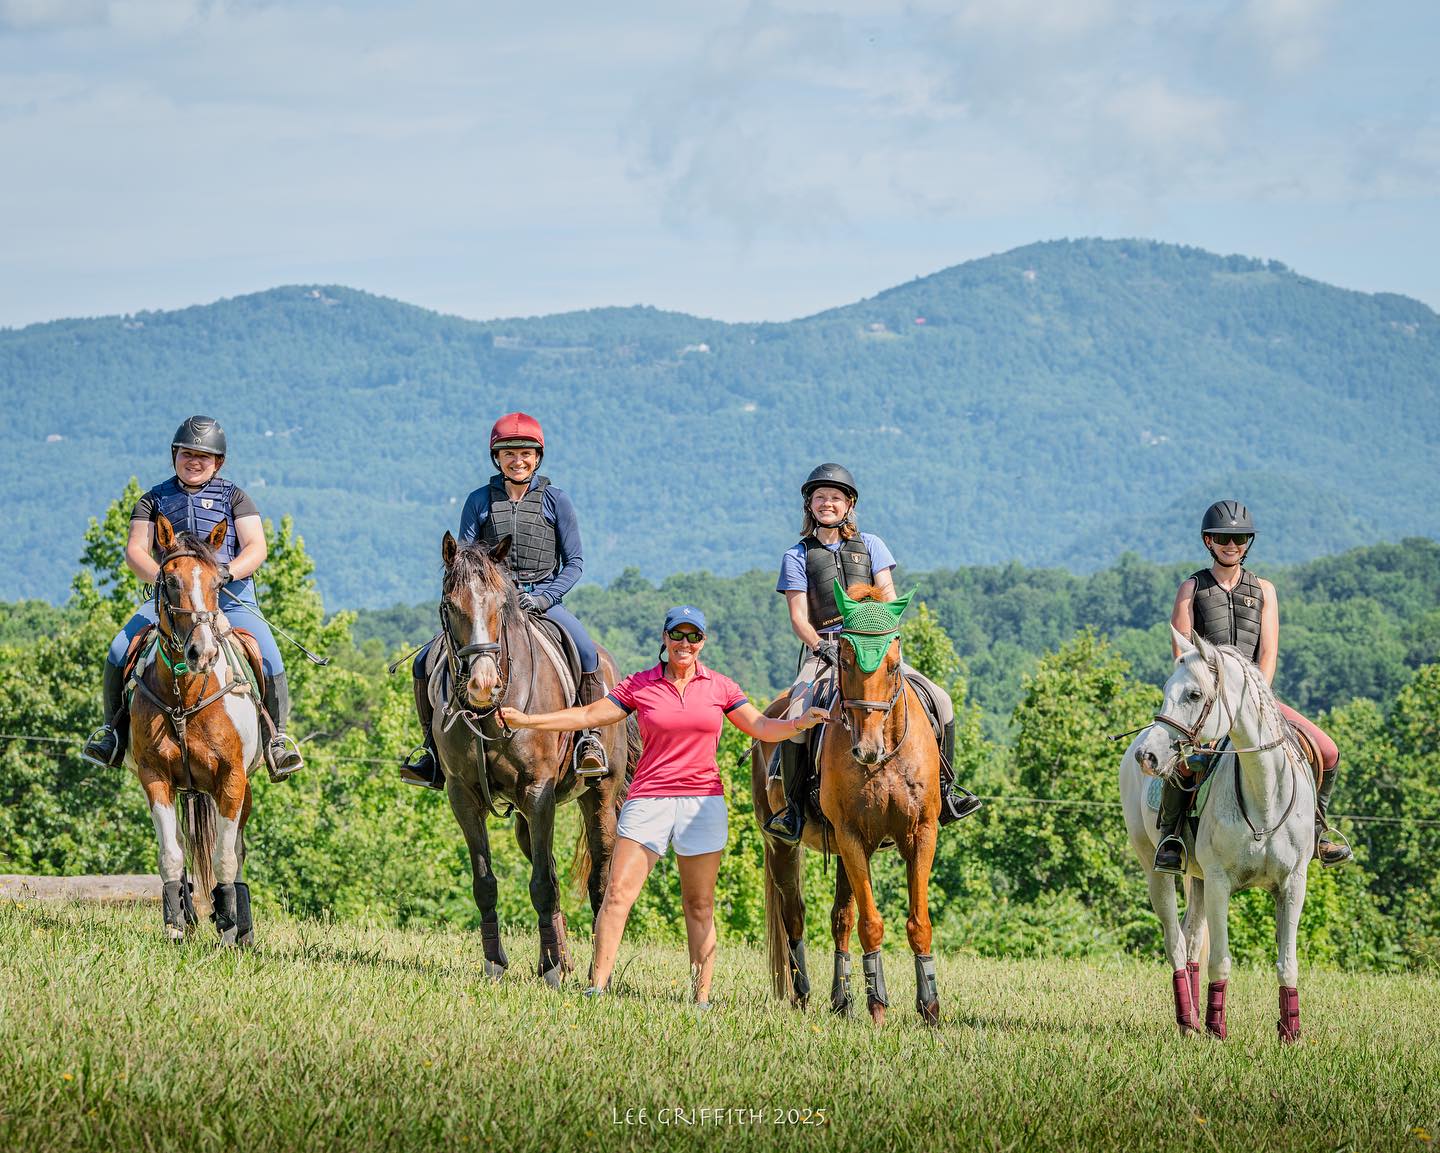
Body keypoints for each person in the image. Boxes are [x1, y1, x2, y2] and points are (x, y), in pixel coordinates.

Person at [502, 606, 826, 1004]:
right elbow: (587, 714)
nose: (684, 644)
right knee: (618, 894)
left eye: (693, 637)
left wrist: (800, 724)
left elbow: (759, 726)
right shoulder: (640, 684)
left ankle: (701, 998)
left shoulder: (721, 687)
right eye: (677, 635)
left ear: (703, 642)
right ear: (665, 638)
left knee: (700, 904)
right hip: (648, 799)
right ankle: (596, 987)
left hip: (702, 803)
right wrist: (528, 721)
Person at [764, 463, 981, 844]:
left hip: (875, 647)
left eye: (835, 497)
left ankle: (945, 793)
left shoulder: (872, 545)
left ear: (849, 504)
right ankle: (794, 808)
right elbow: (799, 617)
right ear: (809, 505)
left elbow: (889, 599)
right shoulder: (796, 556)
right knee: (798, 713)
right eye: (820, 497)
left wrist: (882, 643)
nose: (827, 503)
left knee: (942, 702)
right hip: (827, 650)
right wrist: (821, 647)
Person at [80, 415, 304, 779]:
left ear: (218, 462)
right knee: (119, 650)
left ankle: (276, 739)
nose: (195, 461)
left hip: (229, 596)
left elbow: (256, 546)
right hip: (169, 600)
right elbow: (136, 549)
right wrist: (165, 582)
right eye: (187, 454)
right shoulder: (153, 499)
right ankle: (112, 735)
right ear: (175, 456)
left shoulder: (234, 496)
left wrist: (227, 573)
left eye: (204, 456)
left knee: (268, 656)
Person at [401, 412, 609, 788]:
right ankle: (431, 750)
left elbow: (575, 562)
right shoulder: (479, 501)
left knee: (588, 653)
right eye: (509, 454)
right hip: (488, 606)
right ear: (497, 458)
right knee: (423, 662)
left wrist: (545, 599)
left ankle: (588, 740)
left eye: (526, 454)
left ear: (537, 457)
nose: (518, 460)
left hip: (542, 598)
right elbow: (462, 560)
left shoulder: (555, 501)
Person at [1154, 500, 1352, 872]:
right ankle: (1172, 837)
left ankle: (1318, 832)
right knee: (1185, 762)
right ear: (1208, 541)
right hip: (1209, 703)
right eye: (1223, 538)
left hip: (1257, 699)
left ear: (1249, 542)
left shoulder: (1264, 590)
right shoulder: (1191, 588)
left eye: (1240, 537)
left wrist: (1256, 700)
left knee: (1327, 751)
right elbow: (1182, 656)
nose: (1232, 545)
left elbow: (1269, 652)